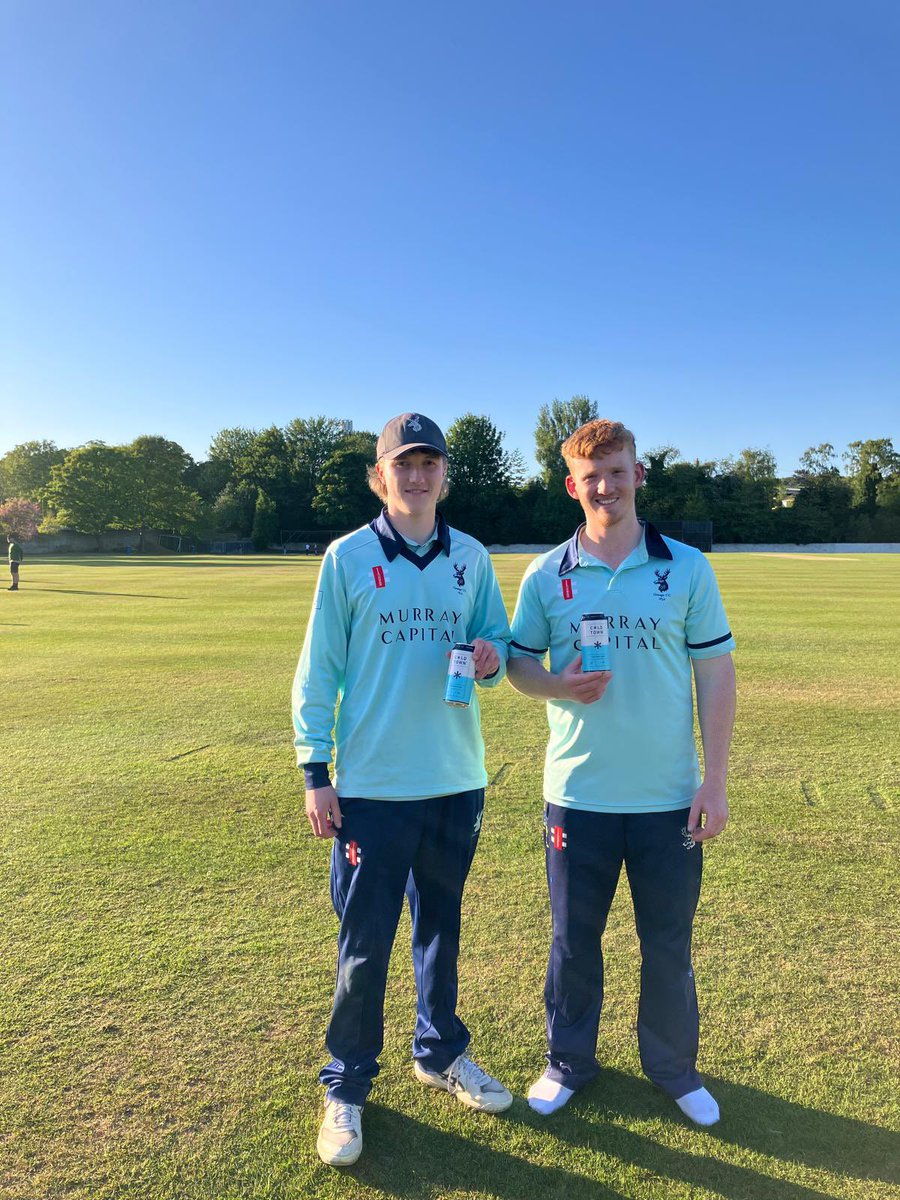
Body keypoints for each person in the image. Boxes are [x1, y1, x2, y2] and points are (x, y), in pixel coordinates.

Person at [293, 411, 513, 1168]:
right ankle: (347, 1086)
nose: (417, 476)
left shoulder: (472, 558)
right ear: (380, 475)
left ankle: (440, 1051)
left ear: (445, 474)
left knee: (440, 932)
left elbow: (499, 639)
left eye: (430, 464)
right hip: (372, 789)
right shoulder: (348, 557)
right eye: (403, 463)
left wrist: (490, 655)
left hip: (455, 781)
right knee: (363, 947)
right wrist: (316, 772)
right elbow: (319, 670)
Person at [507, 419, 736, 1126]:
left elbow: (716, 673)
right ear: (573, 487)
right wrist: (556, 687)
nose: (605, 485)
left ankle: (673, 1069)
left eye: (618, 470)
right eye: (591, 475)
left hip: (669, 796)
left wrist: (715, 780)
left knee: (667, 941)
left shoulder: (687, 567)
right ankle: (568, 1062)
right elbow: (518, 663)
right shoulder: (547, 573)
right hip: (578, 795)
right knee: (574, 941)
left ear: (639, 475)